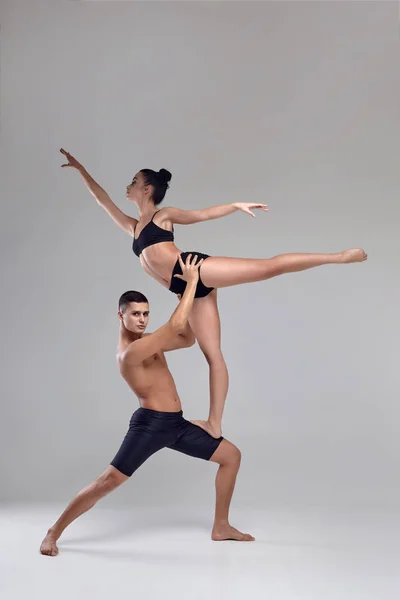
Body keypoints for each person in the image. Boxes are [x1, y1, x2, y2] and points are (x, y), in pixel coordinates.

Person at [60, 148, 367, 440]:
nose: (128, 185)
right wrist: (82, 170)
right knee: (210, 353)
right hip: (185, 290)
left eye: (134, 181)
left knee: (268, 268)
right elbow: (103, 201)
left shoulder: (162, 216)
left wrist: (235, 206)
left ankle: (338, 256)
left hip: (194, 268)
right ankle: (214, 424)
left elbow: (202, 215)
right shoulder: (134, 228)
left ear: (147, 189)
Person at [40, 254, 254, 557]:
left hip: (176, 425)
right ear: (120, 316)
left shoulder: (150, 340)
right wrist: (192, 283)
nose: (142, 319)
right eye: (136, 314)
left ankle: (221, 526)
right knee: (107, 482)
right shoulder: (131, 353)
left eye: (146, 314)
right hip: (151, 426)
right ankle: (53, 532)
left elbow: (187, 337)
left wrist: (190, 293)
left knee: (231, 456)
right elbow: (177, 323)